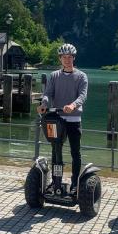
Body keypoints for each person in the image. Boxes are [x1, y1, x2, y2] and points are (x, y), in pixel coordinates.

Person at [37, 43, 88, 193]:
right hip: (57, 119)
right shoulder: (54, 76)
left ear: (73, 58)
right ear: (60, 59)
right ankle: (56, 181)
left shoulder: (81, 76)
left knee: (75, 152)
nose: (67, 60)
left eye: (69, 57)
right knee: (56, 152)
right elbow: (48, 93)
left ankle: (74, 184)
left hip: (73, 120)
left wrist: (73, 105)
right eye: (64, 57)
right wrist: (44, 104)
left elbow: (83, 95)